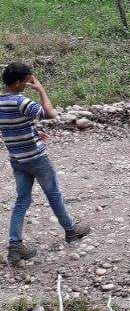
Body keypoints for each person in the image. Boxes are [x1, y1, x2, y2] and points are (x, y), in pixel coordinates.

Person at [1, 63, 90, 266]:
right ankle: (70, 230)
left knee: (22, 200)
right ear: (17, 83)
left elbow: (9, 127)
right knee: (54, 194)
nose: (28, 84)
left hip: (17, 159)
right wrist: (40, 89)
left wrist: (32, 132)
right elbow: (51, 114)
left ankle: (15, 247)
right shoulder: (20, 101)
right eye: (26, 81)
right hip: (36, 158)